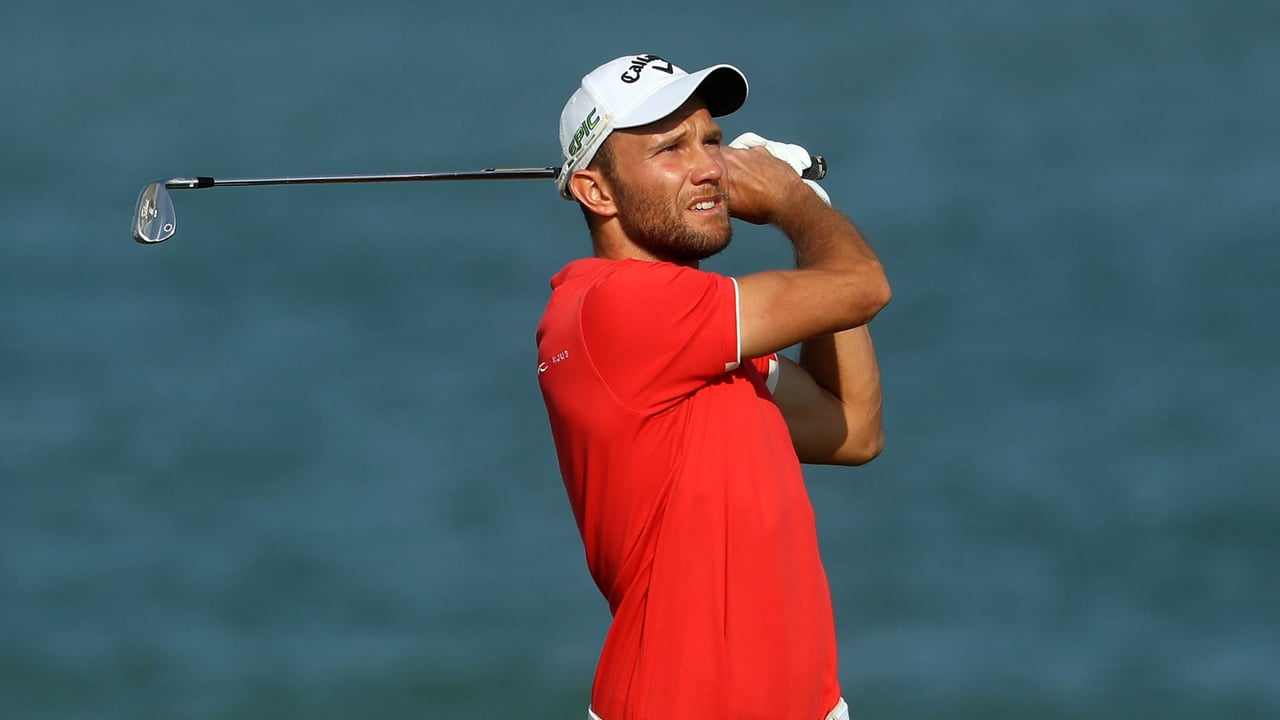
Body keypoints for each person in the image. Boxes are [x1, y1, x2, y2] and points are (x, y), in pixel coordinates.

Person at [536, 53, 891, 720]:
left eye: (712, 141)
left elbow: (852, 429)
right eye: (671, 148)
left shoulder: (700, 340)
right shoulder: (619, 307)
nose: (710, 168)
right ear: (596, 191)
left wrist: (809, 210)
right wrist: (792, 204)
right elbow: (863, 285)